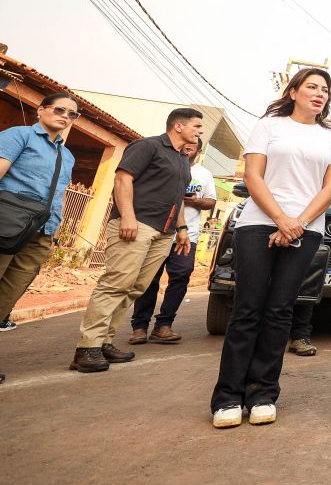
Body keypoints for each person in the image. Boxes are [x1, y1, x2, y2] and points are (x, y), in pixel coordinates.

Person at [210, 69, 331, 427]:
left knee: (281, 310)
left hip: (306, 227)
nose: (319, 94)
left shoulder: (330, 136)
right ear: (294, 91)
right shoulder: (269, 125)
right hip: (258, 222)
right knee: (248, 307)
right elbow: (253, 176)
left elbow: (330, 188)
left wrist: (296, 223)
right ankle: (227, 398)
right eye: (312, 87)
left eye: (325, 90)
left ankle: (264, 392)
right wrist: (281, 219)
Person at [72, 107, 202, 374]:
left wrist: (181, 229)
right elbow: (122, 179)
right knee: (116, 283)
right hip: (137, 224)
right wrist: (128, 217)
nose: (200, 131)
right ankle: (87, 347)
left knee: (135, 287)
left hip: (164, 232)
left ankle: (105, 341)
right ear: (178, 126)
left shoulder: (181, 159)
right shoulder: (148, 146)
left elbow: (176, 197)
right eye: (196, 126)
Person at [0, 93, 78, 384]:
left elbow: (57, 195)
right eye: (60, 110)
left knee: (7, 297)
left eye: (72, 114)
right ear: (41, 110)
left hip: (42, 231)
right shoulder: (19, 135)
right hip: (8, 223)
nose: (66, 117)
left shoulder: (65, 155)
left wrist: (54, 229)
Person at [129, 139, 216, 344]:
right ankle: (139, 326)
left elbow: (211, 201)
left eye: (192, 147)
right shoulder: (166, 165)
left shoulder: (204, 174)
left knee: (181, 276)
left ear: (198, 151)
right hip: (157, 232)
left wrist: (195, 201)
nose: (187, 149)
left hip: (188, 236)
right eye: (184, 146)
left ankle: (164, 325)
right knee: (148, 279)